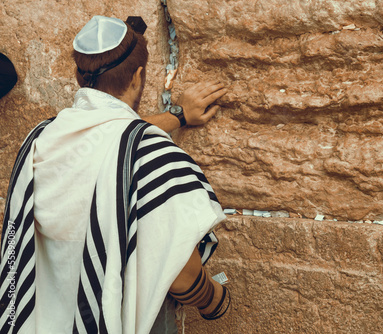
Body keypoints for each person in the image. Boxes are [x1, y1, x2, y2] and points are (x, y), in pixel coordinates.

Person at [0, 15, 230, 334]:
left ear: (80, 76)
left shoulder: (40, 139)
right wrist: (214, 300)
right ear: (137, 76)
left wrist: (177, 116)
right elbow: (181, 274)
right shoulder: (152, 156)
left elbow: (105, 134)